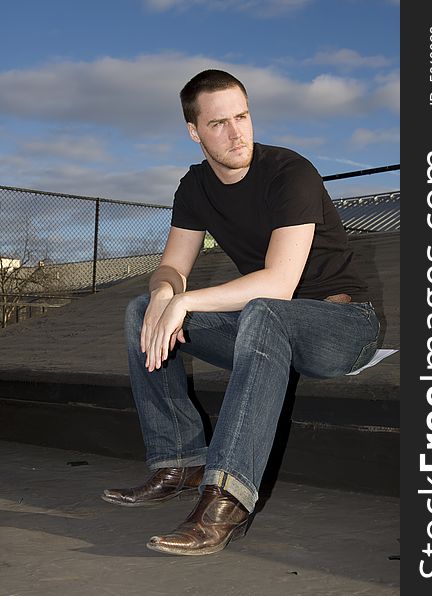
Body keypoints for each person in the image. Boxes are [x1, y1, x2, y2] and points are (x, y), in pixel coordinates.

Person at [101, 69, 380, 556]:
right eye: (219, 124)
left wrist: (185, 300)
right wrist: (167, 293)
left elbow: (278, 284)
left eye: (243, 117)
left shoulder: (290, 172)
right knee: (143, 308)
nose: (236, 133)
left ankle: (226, 498)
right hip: (268, 331)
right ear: (195, 132)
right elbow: (171, 265)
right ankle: (181, 461)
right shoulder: (194, 186)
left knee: (263, 309)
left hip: (342, 326)